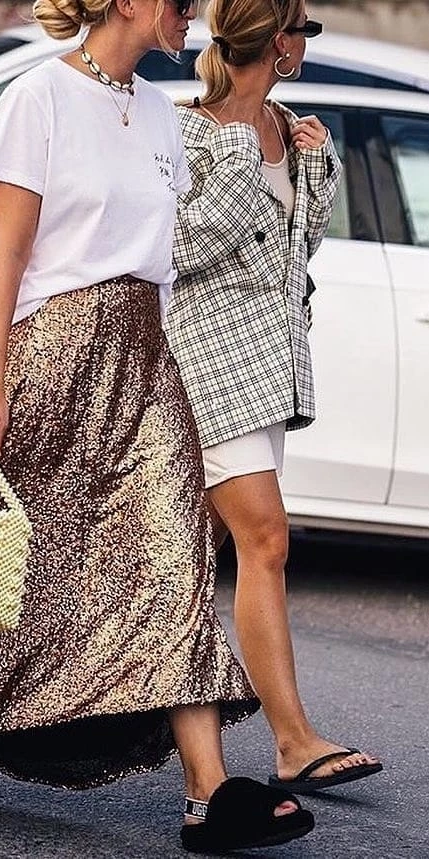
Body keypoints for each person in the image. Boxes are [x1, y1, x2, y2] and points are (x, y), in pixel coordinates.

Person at [0, 0, 316, 850]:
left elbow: (175, 257)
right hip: (52, 350)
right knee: (3, 555)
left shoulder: (160, 115)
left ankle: (208, 792)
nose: (192, 14)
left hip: (145, 360)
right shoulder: (40, 97)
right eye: (179, 2)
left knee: (172, 560)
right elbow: (6, 254)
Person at [165, 0, 382, 796]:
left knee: (181, 563)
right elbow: (181, 247)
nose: (305, 44)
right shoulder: (190, 134)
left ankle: (13, 704)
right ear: (275, 42)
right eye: (302, 31)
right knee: (265, 539)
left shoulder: (287, 128)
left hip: (265, 369)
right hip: (204, 364)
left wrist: (315, 168)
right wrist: (236, 153)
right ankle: (292, 741)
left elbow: (295, 250)